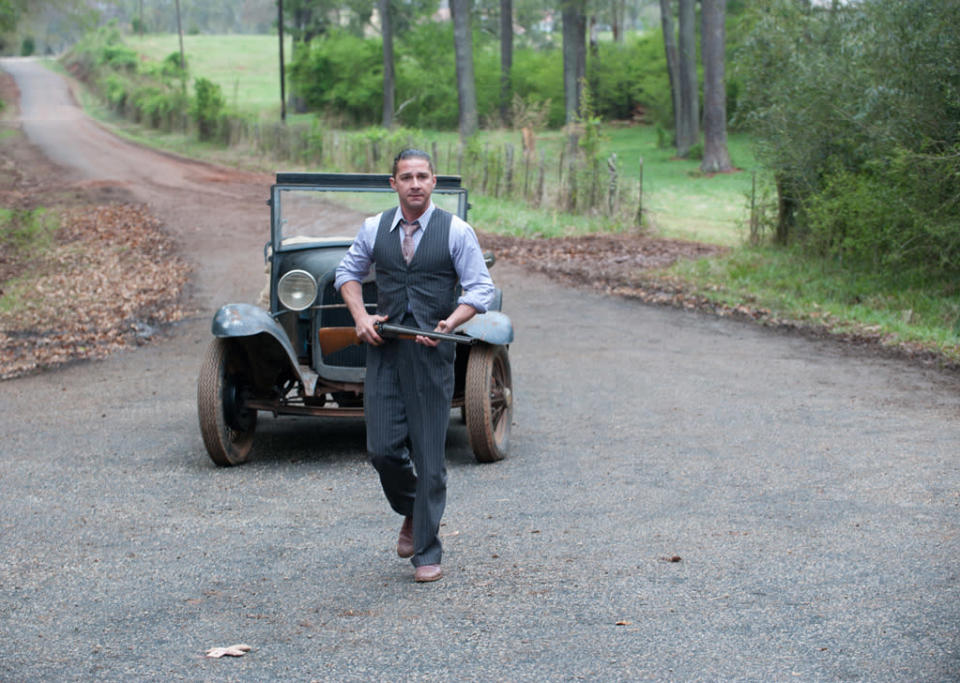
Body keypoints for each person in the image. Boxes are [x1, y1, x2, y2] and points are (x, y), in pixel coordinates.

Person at [335, 149, 495, 583]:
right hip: (385, 349)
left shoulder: (456, 231)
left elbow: (481, 289)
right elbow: (346, 273)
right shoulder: (373, 228)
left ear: (434, 181)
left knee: (429, 454)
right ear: (394, 184)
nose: (415, 184)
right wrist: (361, 316)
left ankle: (426, 549)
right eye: (406, 177)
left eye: (422, 176)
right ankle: (412, 509)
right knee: (382, 450)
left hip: (431, 352)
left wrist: (452, 320)